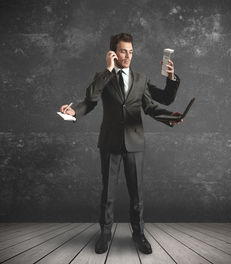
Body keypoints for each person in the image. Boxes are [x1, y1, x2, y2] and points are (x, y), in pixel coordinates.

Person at [60, 33, 183, 255]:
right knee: (107, 194)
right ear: (113, 53)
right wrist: (74, 111)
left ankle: (139, 235)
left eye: (131, 51)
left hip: (135, 142)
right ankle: (105, 234)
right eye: (123, 51)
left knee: (137, 195)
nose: (128, 56)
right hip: (110, 143)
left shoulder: (141, 78)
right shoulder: (103, 76)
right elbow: (90, 100)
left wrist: (169, 109)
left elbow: (157, 104)